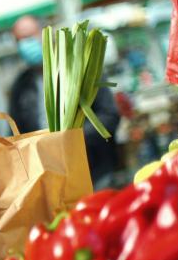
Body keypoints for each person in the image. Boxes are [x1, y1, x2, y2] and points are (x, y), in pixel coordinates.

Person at [9, 15, 121, 188]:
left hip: (95, 170)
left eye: (30, 37)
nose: (26, 44)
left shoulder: (82, 68)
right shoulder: (20, 86)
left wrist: (71, 139)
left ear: (45, 33)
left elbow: (109, 116)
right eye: (20, 41)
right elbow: (15, 134)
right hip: (52, 179)